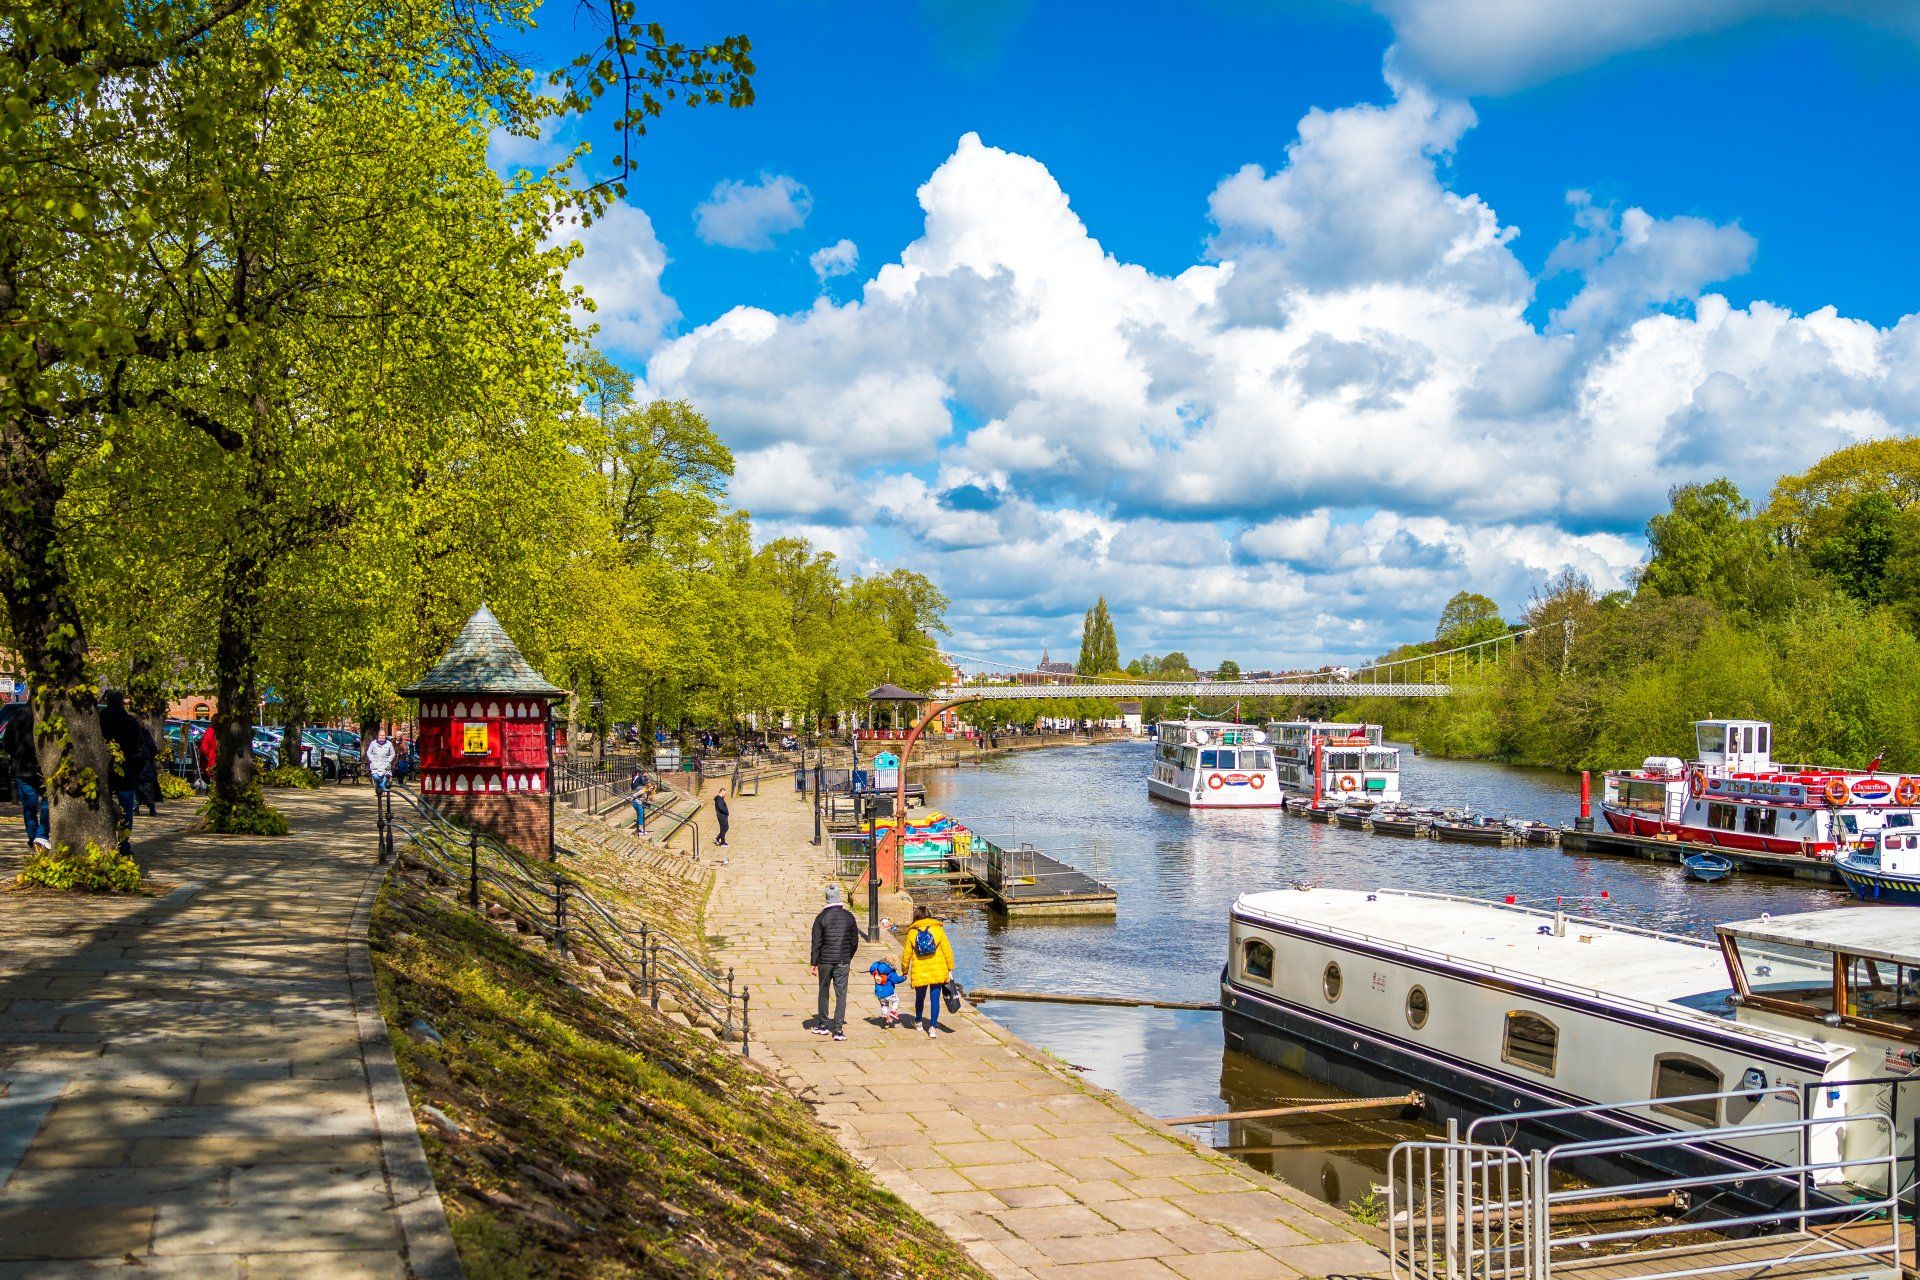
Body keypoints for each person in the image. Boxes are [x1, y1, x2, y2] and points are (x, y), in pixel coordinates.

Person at [99, 691, 152, 854]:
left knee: (101, 805)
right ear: (122, 702)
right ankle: (124, 842)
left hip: (104, 770)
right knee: (126, 807)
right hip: (127, 771)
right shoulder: (130, 722)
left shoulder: (99, 720)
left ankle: (103, 839)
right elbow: (140, 748)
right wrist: (136, 768)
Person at [808, 885, 863, 1041]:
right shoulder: (849, 916)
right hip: (843, 960)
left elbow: (816, 942)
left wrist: (814, 962)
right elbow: (854, 941)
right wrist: (848, 956)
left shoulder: (821, 918)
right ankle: (838, 1030)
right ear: (839, 898)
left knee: (823, 991)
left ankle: (823, 1025)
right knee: (841, 994)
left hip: (825, 961)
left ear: (827, 898)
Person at [900, 911, 956, 1038]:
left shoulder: (912, 932)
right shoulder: (938, 929)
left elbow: (906, 955)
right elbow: (947, 950)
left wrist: (904, 970)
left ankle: (919, 1022)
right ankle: (932, 1028)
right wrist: (950, 967)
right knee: (934, 999)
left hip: (920, 970)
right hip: (938, 969)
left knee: (920, 998)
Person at [3, 703, 49, 851]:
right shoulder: (47, 712)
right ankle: (41, 835)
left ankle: (33, 837)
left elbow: (7, 741)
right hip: (44, 768)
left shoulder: (18, 715)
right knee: (47, 802)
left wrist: (16, 756)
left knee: (29, 806)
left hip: (23, 767)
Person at [867, 958, 905, 1026]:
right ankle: (893, 1012)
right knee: (896, 1001)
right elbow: (897, 980)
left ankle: (884, 1015)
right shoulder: (891, 972)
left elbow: (871, 968)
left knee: (884, 1005)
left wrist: (878, 962)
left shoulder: (876, 969)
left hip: (879, 993)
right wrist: (904, 977)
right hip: (889, 993)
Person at [365, 728, 396, 794]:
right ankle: (382, 789)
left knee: (384, 777)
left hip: (385, 764)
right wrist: (372, 760)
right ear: (378, 736)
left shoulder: (389, 743)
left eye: (384, 735)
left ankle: (381, 790)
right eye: (381, 735)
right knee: (376, 777)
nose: (382, 736)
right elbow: (368, 752)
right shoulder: (373, 743)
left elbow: (393, 753)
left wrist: (388, 760)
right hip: (375, 764)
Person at [196, 721, 217, 788]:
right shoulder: (225, 731)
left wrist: (209, 755)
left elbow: (203, 748)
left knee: (213, 779)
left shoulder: (210, 731)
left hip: (212, 759)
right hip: (222, 760)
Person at [629, 766, 649, 834]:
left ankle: (641, 829)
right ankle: (640, 830)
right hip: (637, 802)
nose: (651, 790)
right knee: (641, 814)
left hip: (639, 802)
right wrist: (631, 799)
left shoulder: (646, 791)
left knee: (642, 814)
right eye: (651, 788)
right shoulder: (643, 790)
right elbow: (634, 795)